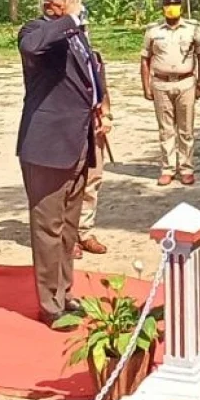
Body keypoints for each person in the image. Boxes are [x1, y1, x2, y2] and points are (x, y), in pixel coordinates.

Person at [17, 0, 103, 329]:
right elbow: (32, 47)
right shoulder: (36, 31)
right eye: (76, 0)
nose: (81, 6)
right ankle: (50, 305)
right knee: (48, 227)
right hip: (48, 146)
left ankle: (64, 292)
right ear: (61, 0)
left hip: (78, 141)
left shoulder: (77, 34)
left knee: (68, 226)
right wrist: (68, 19)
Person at [141, 0, 200, 187]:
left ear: (181, 5)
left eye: (175, 4)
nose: (172, 8)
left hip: (186, 82)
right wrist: (146, 85)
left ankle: (186, 168)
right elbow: (145, 59)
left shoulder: (192, 28)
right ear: (163, 7)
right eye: (168, 4)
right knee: (166, 130)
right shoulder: (153, 30)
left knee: (186, 129)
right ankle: (167, 169)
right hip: (160, 83)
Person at [76, 49, 112, 258]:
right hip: (68, 127)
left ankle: (85, 231)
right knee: (69, 183)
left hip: (93, 123)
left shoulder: (94, 56)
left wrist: (107, 116)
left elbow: (103, 89)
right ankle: (68, 236)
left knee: (93, 177)